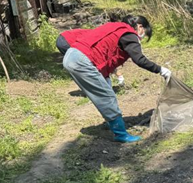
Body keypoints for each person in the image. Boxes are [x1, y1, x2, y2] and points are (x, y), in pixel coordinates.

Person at [57, 15, 170, 143]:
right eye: (144, 32)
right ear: (140, 27)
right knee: (106, 96)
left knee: (104, 91)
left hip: (72, 55)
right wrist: (161, 70)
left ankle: (111, 122)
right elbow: (139, 60)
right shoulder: (129, 34)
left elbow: (103, 52)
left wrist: (105, 76)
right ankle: (120, 134)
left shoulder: (115, 27)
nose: (142, 36)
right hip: (81, 60)